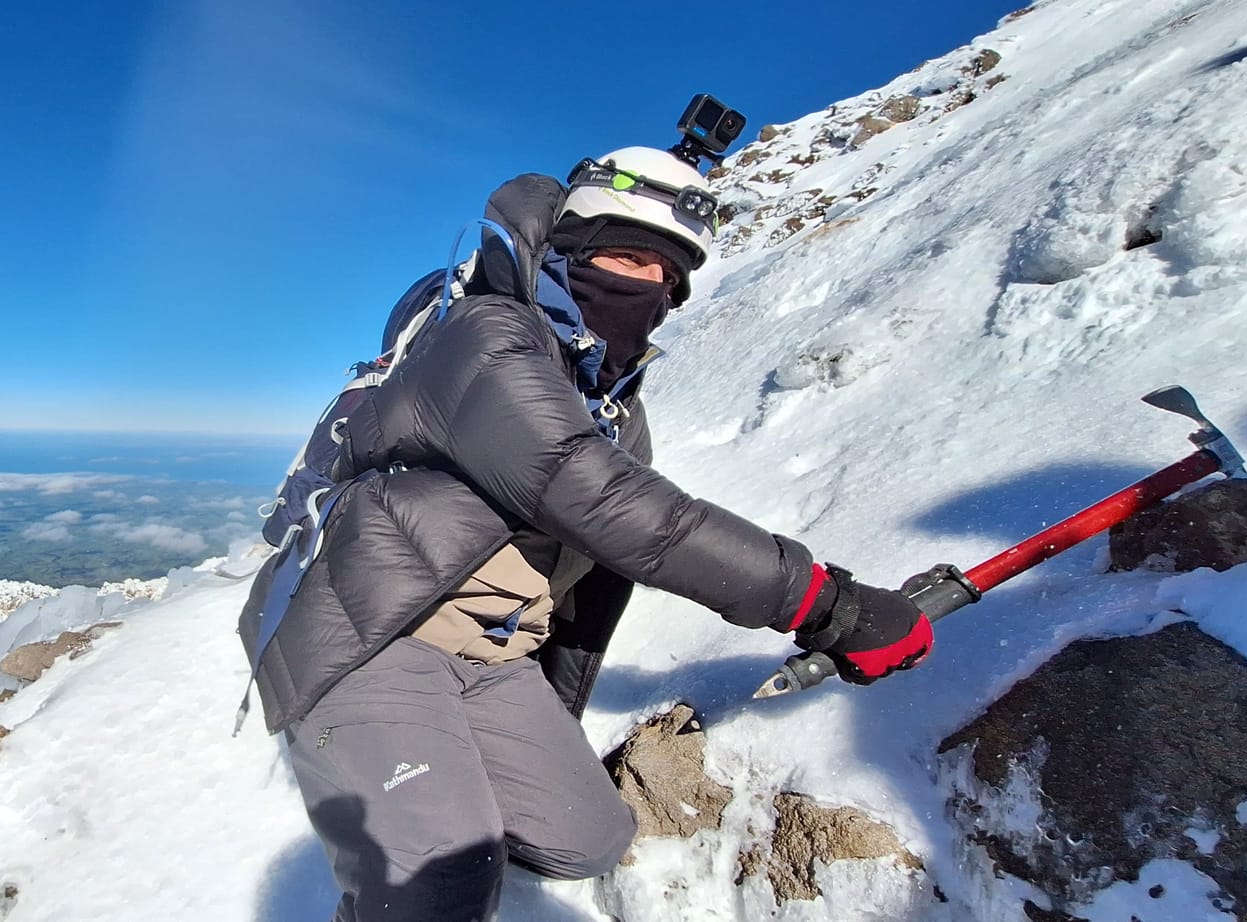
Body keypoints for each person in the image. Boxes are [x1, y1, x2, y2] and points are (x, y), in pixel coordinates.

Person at [238, 146, 934, 921]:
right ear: (567, 251)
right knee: (439, 884)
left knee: (588, 841)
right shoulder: (487, 336)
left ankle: (440, 780)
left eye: (666, 277)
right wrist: (828, 605)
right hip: (372, 630)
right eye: (625, 256)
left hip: (491, 656)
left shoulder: (612, 407)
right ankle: (402, 813)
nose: (646, 286)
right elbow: (609, 504)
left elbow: (603, 563)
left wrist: (550, 717)